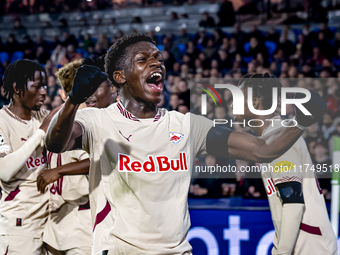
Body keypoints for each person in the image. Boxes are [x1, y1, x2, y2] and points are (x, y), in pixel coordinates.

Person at [45, 34, 326, 254]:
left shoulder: (187, 125)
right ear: (120, 77)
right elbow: (56, 143)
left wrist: (300, 120)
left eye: (158, 58)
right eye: (143, 59)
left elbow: (262, 149)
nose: (156, 63)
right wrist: (72, 101)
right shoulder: (97, 120)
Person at [233, 73, 337, 255]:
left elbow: (293, 203)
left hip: (310, 248)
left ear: (255, 102)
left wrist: (281, 252)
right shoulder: (275, 136)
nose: (233, 104)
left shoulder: (280, 139)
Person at [37, 57, 119, 255]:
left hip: (85, 220)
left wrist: (59, 170)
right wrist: (72, 100)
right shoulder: (73, 118)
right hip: (64, 219)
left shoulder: (111, 119)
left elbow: (104, 159)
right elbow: (45, 133)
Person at [0, 59, 59, 254]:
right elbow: (5, 171)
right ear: (17, 88)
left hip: (51, 221)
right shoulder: (2, 121)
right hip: (20, 225)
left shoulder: (42, 116)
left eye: (45, 85)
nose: (44, 91)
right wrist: (40, 134)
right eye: (37, 86)